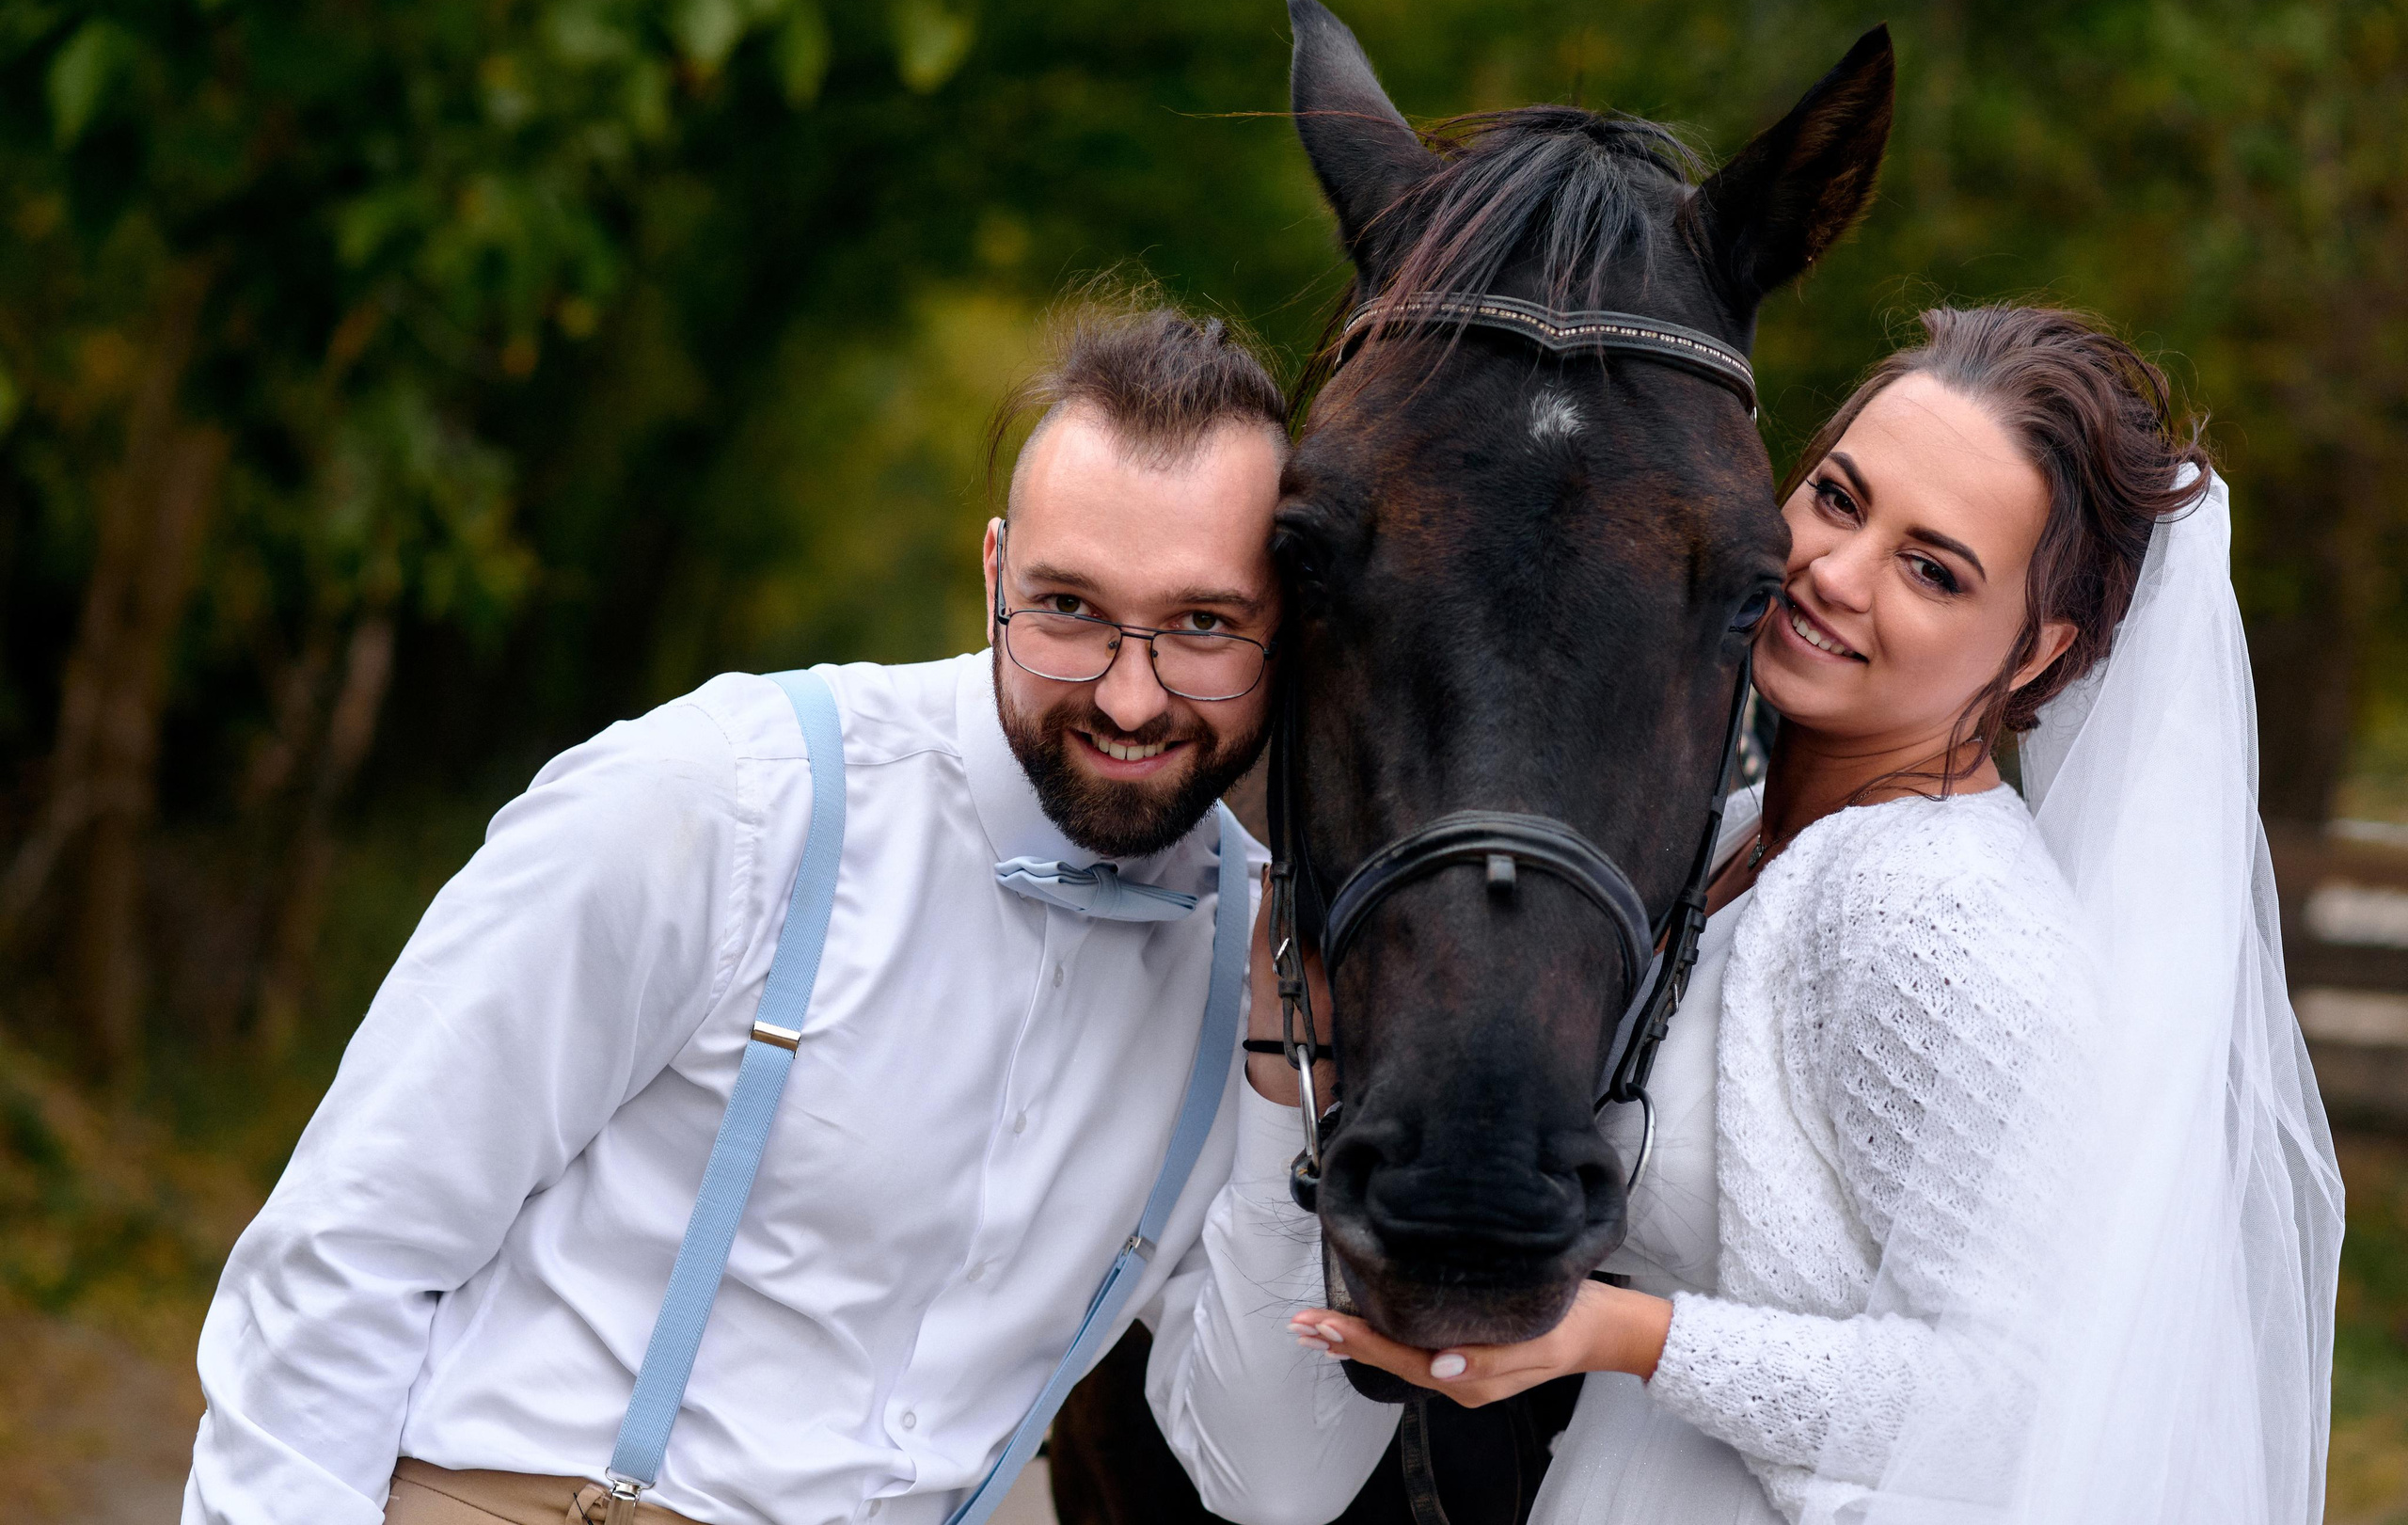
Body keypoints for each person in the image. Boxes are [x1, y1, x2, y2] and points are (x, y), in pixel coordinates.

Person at [182, 297, 1363, 1525]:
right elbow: (346, 1247)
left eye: (1203, 626)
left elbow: (1274, 1482)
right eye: (1070, 609)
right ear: (997, 569)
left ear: (1286, 633)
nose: (1130, 694)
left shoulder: (1265, 965)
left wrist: (1291, 1086)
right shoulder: (720, 799)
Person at [1283, 305, 2343, 1523]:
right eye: (1838, 499)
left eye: (1932, 569)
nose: (1833, 572)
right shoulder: (1744, 829)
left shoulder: (1933, 917)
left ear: (2037, 656)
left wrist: (1625, 1332)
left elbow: (2020, 1394)